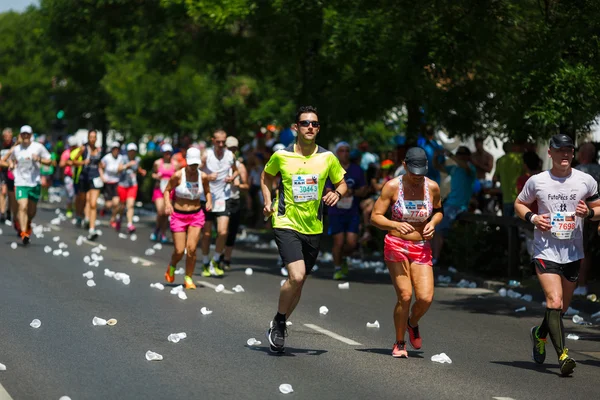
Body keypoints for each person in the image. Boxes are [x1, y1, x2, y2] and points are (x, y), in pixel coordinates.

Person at [262, 106, 347, 353]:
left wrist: (337, 193)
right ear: (295, 128)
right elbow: (266, 177)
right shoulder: (281, 156)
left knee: (299, 283)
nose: (310, 127)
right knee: (296, 275)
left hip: (314, 226)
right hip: (286, 221)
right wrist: (267, 202)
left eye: (315, 124)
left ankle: (278, 323)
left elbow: (342, 183)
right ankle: (279, 322)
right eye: (305, 123)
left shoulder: (328, 158)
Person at [515, 134, 600, 377]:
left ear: (573, 154)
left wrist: (588, 213)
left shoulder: (586, 180)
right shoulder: (537, 181)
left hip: (573, 251)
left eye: (569, 150)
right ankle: (563, 355)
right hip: (545, 250)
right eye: (559, 150)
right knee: (554, 301)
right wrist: (533, 218)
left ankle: (539, 334)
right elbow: (519, 204)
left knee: (561, 308)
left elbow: (598, 209)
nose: (565, 154)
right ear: (549, 153)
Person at [370, 147, 442, 357]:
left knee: (426, 298)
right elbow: (375, 217)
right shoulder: (392, 187)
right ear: (404, 166)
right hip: (396, 244)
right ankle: (399, 343)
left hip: (420, 246)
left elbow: (438, 211)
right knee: (405, 294)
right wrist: (394, 224)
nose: (417, 178)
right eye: (413, 173)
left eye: (421, 173)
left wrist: (433, 223)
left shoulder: (433, 187)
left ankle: (412, 323)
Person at [163, 148, 212, 289]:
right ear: (186, 163)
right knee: (179, 250)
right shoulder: (178, 175)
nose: (193, 168)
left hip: (196, 215)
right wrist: (168, 204)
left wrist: (209, 201)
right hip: (178, 215)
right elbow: (167, 190)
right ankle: (172, 265)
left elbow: (208, 192)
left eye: (196, 165)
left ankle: (188, 278)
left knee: (191, 249)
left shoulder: (203, 177)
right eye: (191, 165)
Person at [0, 125, 52, 244]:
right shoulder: (16, 149)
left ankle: (27, 223)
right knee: (22, 206)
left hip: (34, 183)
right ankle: (24, 233)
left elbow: (50, 161)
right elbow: (2, 161)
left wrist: (39, 159)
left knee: (31, 212)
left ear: (31, 135)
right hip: (20, 182)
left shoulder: (38, 147)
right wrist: (10, 165)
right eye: (23, 134)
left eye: (27, 134)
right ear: (20, 135)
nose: (25, 136)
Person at [326, 141, 368, 280]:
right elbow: (327, 190)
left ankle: (342, 258)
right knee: (338, 241)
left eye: (347, 151)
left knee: (351, 243)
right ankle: (337, 267)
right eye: (341, 151)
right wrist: (340, 193)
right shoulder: (332, 169)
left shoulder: (357, 170)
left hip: (352, 211)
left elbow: (364, 189)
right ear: (337, 153)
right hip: (336, 211)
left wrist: (352, 192)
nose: (344, 153)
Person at [200, 130, 237, 277]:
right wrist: (207, 176)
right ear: (213, 140)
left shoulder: (230, 156)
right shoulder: (206, 155)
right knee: (207, 234)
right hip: (207, 197)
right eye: (218, 142)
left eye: (223, 142)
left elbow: (236, 171)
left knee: (223, 232)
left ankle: (215, 260)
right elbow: (195, 171)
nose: (221, 145)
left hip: (223, 197)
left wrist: (232, 177)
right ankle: (204, 261)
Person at [431, 146, 476, 264]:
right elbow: (437, 167)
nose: (458, 155)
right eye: (458, 153)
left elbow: (465, 166)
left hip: (458, 206)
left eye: (461, 153)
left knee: (439, 229)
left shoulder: (470, 169)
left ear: (467, 156)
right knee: (434, 228)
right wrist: (436, 156)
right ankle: (432, 257)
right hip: (449, 204)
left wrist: (450, 155)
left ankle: (435, 258)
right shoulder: (455, 169)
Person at [573, 142, 600, 296]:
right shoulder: (598, 170)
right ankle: (581, 283)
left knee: (579, 250)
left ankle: (579, 284)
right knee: (587, 250)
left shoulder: (576, 172)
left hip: (580, 215)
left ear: (582, 155)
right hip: (595, 213)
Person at [223, 136, 249, 270]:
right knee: (222, 230)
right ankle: (218, 255)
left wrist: (239, 185)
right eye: (229, 148)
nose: (232, 151)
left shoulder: (240, 166)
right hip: (221, 200)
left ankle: (226, 258)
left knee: (231, 230)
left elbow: (247, 185)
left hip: (234, 200)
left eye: (234, 149)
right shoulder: (219, 163)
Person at [151, 143, 178, 242]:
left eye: (169, 153)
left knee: (166, 213)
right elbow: (153, 174)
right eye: (166, 153)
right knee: (160, 211)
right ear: (163, 153)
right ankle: (156, 229)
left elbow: (178, 176)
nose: (168, 155)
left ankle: (163, 233)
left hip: (170, 190)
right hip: (159, 189)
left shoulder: (175, 164)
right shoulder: (157, 163)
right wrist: (156, 176)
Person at [117, 143, 146, 233]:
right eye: (130, 151)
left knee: (130, 205)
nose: (132, 153)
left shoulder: (137, 160)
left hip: (132, 185)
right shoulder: (123, 158)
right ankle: (120, 218)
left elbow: (137, 168)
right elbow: (119, 169)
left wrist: (141, 171)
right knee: (122, 205)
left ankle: (130, 224)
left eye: (133, 151)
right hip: (122, 184)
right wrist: (127, 165)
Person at [494, 142, 523, 217]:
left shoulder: (500, 160)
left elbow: (495, 178)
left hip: (506, 197)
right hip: (519, 197)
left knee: (507, 224)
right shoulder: (520, 158)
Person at [99, 142, 123, 231]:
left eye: (117, 149)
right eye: (114, 149)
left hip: (116, 182)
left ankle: (113, 219)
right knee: (109, 204)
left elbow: (121, 168)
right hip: (108, 183)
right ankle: (104, 209)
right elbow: (100, 166)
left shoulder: (120, 158)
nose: (116, 151)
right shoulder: (107, 157)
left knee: (116, 203)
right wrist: (102, 176)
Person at [59, 136, 78, 218]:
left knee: (76, 194)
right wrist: (68, 162)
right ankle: (69, 208)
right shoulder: (66, 153)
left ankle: (75, 207)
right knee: (70, 194)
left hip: (77, 176)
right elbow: (61, 164)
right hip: (68, 176)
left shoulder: (78, 152)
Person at [1, 128, 16, 225]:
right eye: (5, 136)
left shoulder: (15, 146)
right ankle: (2, 212)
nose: (7, 138)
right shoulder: (0, 146)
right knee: (3, 191)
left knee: (11, 194)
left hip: (12, 173)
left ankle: (9, 211)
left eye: (9, 136)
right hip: (2, 172)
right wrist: (7, 164)